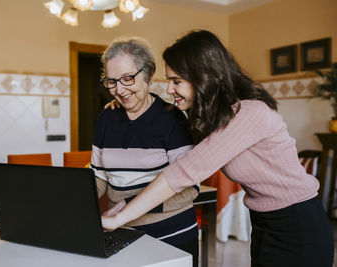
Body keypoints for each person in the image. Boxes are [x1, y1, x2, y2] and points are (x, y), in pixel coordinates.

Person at [102, 30, 334, 267]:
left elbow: (184, 171)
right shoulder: (214, 117)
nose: (170, 89)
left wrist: (121, 217)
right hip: (265, 222)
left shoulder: (250, 113)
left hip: (299, 224)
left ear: (204, 77)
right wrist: (125, 104)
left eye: (177, 81)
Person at [90, 36, 200, 266]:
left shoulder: (172, 119)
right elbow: (100, 176)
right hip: (120, 234)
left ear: (147, 74)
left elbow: (189, 189)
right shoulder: (106, 119)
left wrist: (130, 206)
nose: (119, 90)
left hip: (172, 236)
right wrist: (76, 201)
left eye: (127, 78)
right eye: (111, 81)